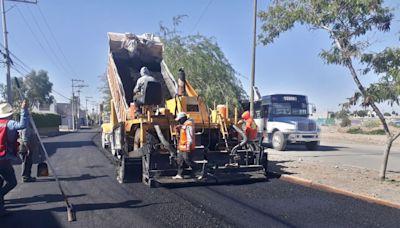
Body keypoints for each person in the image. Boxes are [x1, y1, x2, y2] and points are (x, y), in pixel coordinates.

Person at [0, 100, 28, 216]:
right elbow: (22, 125)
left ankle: (1, 209)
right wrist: (24, 110)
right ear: (10, 113)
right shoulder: (10, 123)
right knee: (12, 182)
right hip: (3, 159)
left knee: (0, 181)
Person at [172, 112, 199, 180]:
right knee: (180, 161)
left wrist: (188, 146)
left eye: (179, 120)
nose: (179, 121)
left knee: (188, 160)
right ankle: (179, 174)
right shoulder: (184, 124)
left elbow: (190, 136)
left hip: (186, 146)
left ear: (183, 118)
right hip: (182, 147)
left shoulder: (188, 124)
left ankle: (199, 171)